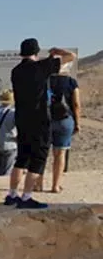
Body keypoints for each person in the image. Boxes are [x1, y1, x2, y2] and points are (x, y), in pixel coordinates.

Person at [6, 39, 76, 209]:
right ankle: (26, 196)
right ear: (36, 52)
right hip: (39, 118)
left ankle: (12, 194)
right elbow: (71, 56)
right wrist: (56, 51)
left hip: (22, 118)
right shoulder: (41, 67)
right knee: (38, 158)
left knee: (22, 158)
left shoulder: (16, 71)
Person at [46, 64, 81, 193]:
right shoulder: (71, 82)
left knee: (42, 153)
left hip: (46, 120)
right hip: (64, 120)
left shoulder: (45, 81)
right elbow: (76, 104)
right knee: (60, 153)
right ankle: (55, 185)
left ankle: (38, 184)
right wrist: (77, 122)